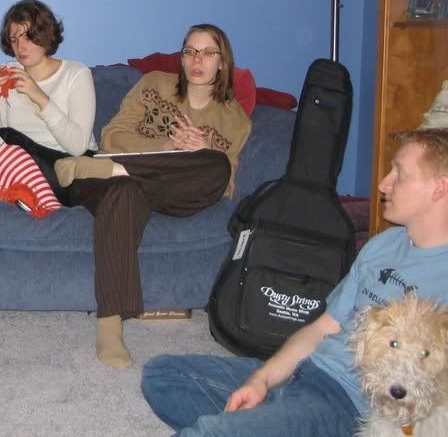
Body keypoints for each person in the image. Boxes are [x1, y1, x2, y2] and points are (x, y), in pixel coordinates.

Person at [141, 128, 448, 437]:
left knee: (211, 432)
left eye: (400, 173)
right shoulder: (383, 245)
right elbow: (323, 327)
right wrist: (262, 380)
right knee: (163, 375)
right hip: (306, 373)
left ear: (439, 187)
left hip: (343, 404)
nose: (384, 183)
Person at [55, 24, 252, 368]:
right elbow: (111, 137)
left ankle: (119, 170)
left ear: (223, 62)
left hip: (169, 191)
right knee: (124, 191)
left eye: (208, 53)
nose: (197, 60)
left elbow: (225, 184)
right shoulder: (154, 85)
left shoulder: (235, 119)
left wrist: (204, 150)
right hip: (103, 182)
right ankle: (110, 325)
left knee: (216, 164)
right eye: (190, 51)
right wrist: (167, 146)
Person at [0, 0, 97, 211]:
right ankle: (33, 205)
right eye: (14, 39)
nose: (20, 47)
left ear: (46, 35)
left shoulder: (76, 74)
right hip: (16, 168)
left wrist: (40, 97)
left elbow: (78, 147)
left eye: (28, 37)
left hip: (68, 171)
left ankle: (35, 202)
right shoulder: (10, 72)